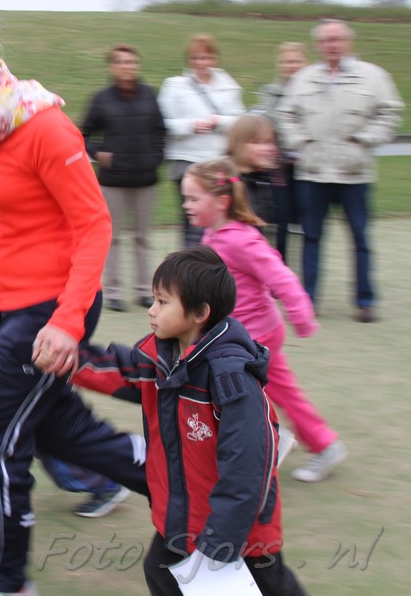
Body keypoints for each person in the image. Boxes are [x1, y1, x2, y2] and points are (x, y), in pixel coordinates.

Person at [0, 7, 148, 596]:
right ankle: (189, 478)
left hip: (53, 308)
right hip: (13, 304)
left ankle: (2, 580)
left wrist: (66, 323)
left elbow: (94, 226)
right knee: (58, 430)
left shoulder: (44, 127)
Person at [74, 246, 307, 596]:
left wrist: (221, 542)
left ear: (200, 313)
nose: (152, 310)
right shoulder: (161, 356)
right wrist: (68, 360)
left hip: (238, 534)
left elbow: (247, 467)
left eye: (163, 302)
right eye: (154, 300)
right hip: (185, 519)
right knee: (161, 572)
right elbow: (120, 370)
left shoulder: (231, 380)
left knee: (271, 588)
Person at [183, 159, 346, 483]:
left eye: (194, 199)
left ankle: (274, 439)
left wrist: (302, 316)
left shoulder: (240, 240)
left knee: (224, 389)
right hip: (244, 334)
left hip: (253, 338)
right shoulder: (214, 235)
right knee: (280, 390)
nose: (187, 205)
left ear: (221, 202)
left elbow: (280, 277)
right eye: (186, 198)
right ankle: (322, 443)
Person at [0, 256, 132, 520]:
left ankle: (109, 482)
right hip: (31, 368)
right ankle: (111, 477)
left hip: (38, 368)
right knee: (44, 432)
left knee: (50, 434)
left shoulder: (1, 285)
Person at [277, 19, 403, 323]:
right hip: (313, 173)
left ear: (349, 41)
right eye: (325, 40)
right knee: (311, 238)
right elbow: (285, 115)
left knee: (360, 238)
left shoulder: (372, 76)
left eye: (337, 39)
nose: (331, 45)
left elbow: (390, 112)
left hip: (354, 174)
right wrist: (301, 143)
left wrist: (364, 141)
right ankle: (308, 301)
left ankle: (365, 301)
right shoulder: (304, 78)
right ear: (318, 45)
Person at [80, 44, 166, 312]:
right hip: (113, 182)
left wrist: (155, 158)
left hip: (145, 180)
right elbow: (82, 135)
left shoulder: (150, 96)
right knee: (113, 238)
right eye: (121, 62)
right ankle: (114, 292)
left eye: (132, 62)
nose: (128, 67)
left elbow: (160, 131)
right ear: (113, 67)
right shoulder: (101, 99)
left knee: (143, 238)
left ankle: (144, 290)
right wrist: (98, 153)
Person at [157, 34, 244, 247]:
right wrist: (190, 125)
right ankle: (190, 266)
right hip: (187, 162)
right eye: (196, 58)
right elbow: (161, 123)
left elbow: (241, 122)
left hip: (218, 164)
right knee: (193, 224)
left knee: (219, 221)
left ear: (215, 59)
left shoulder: (228, 86)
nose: (201, 63)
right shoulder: (175, 86)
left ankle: (216, 264)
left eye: (206, 58)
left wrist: (219, 121)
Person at [252, 42, 310, 261]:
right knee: (281, 221)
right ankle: (279, 268)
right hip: (280, 169)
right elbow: (269, 124)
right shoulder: (271, 94)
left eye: (295, 61)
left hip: (309, 168)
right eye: (286, 62)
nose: (290, 66)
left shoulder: (315, 93)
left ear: (306, 64)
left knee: (308, 223)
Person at [225, 115, 280, 244]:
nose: (268, 148)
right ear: (237, 145)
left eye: (270, 142)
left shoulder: (261, 180)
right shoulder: (226, 182)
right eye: (257, 142)